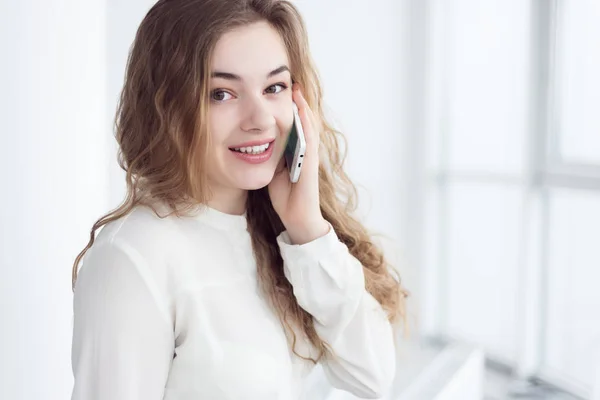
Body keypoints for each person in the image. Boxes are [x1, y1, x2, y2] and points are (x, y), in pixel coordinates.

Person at [70, 0, 409, 399]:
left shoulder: (279, 234)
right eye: (221, 94)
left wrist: (307, 229)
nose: (260, 118)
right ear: (167, 106)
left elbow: (373, 376)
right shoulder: (133, 256)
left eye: (274, 87)